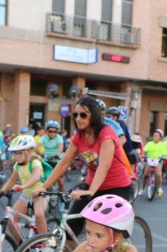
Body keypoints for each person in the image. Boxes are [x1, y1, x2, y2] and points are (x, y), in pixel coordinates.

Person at [34, 96, 132, 237]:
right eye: (75, 115)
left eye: (83, 114)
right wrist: (44, 186)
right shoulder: (79, 136)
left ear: (94, 115)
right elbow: (64, 163)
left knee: (105, 234)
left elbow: (104, 165)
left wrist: (90, 192)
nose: (78, 118)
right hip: (92, 185)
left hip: (117, 187)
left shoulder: (106, 134)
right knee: (69, 231)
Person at [0, 136, 49, 248]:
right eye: (14, 153)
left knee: (39, 215)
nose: (16, 156)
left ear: (28, 151)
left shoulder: (35, 162)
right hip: (26, 196)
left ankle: (45, 245)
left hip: (40, 195)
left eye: (19, 153)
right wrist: (2, 190)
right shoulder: (17, 165)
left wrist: (23, 186)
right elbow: (11, 180)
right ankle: (21, 245)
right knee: (11, 220)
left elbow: (36, 177)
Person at [40, 120, 65, 193]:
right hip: (46, 160)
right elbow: (36, 147)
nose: (52, 133)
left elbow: (60, 148)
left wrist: (57, 154)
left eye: (55, 132)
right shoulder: (44, 138)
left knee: (60, 181)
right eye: (50, 131)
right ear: (47, 131)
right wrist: (36, 153)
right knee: (42, 178)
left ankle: (62, 197)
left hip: (56, 160)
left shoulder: (59, 138)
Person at [140, 129, 167, 196]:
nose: (155, 137)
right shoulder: (149, 143)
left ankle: (160, 188)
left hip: (157, 161)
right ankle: (142, 189)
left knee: (159, 174)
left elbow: (164, 153)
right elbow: (144, 150)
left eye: (157, 136)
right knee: (145, 175)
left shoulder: (162, 145)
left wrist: (163, 156)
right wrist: (142, 155)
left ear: (160, 137)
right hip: (149, 161)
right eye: (154, 135)